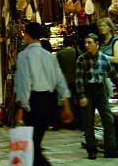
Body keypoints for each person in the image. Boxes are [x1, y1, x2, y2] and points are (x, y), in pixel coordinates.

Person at [14, 22, 73, 166]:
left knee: (33, 145)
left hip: (34, 102)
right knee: (35, 142)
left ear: (27, 36)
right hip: (49, 102)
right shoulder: (50, 56)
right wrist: (66, 106)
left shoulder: (24, 56)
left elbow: (24, 83)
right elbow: (60, 81)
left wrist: (21, 108)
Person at [76, 33, 118, 159]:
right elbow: (79, 80)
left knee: (108, 120)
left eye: (90, 42)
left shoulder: (104, 58)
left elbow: (113, 74)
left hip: (100, 89)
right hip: (88, 90)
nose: (87, 45)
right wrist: (82, 96)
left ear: (97, 43)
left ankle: (111, 149)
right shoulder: (82, 59)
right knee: (88, 122)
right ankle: (91, 149)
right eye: (85, 43)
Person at [57, 36, 81, 129]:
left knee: (70, 102)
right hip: (76, 79)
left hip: (66, 80)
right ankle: (81, 122)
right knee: (79, 102)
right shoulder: (77, 52)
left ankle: (72, 122)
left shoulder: (60, 53)